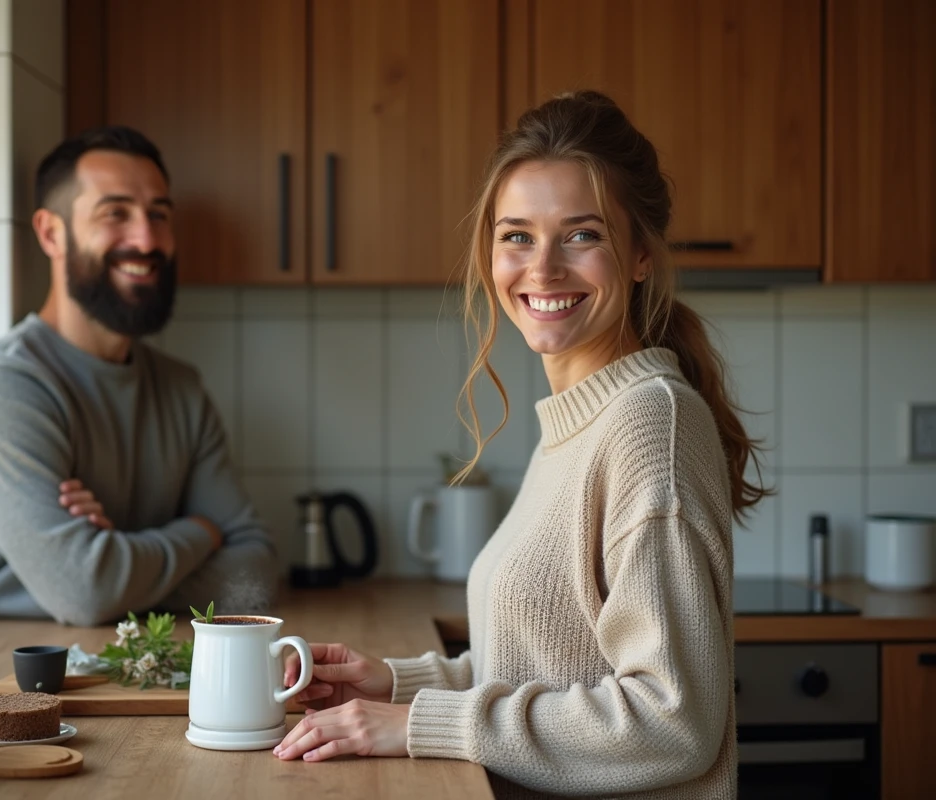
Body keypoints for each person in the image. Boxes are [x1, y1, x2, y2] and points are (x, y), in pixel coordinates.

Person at [275, 91, 768, 799]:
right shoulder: (577, 423)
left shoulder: (649, 425)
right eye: (517, 235)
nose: (542, 269)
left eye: (581, 235)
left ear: (638, 255)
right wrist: (394, 684)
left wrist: (416, 726)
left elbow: (671, 723)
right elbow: (546, 669)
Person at [0, 126, 277, 626]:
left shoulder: (180, 389)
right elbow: (86, 592)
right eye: (115, 213)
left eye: (159, 215)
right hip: (9, 679)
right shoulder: (3, 390)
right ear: (51, 233)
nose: (146, 239)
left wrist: (115, 556)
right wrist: (201, 532)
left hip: (146, 662)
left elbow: (256, 574)